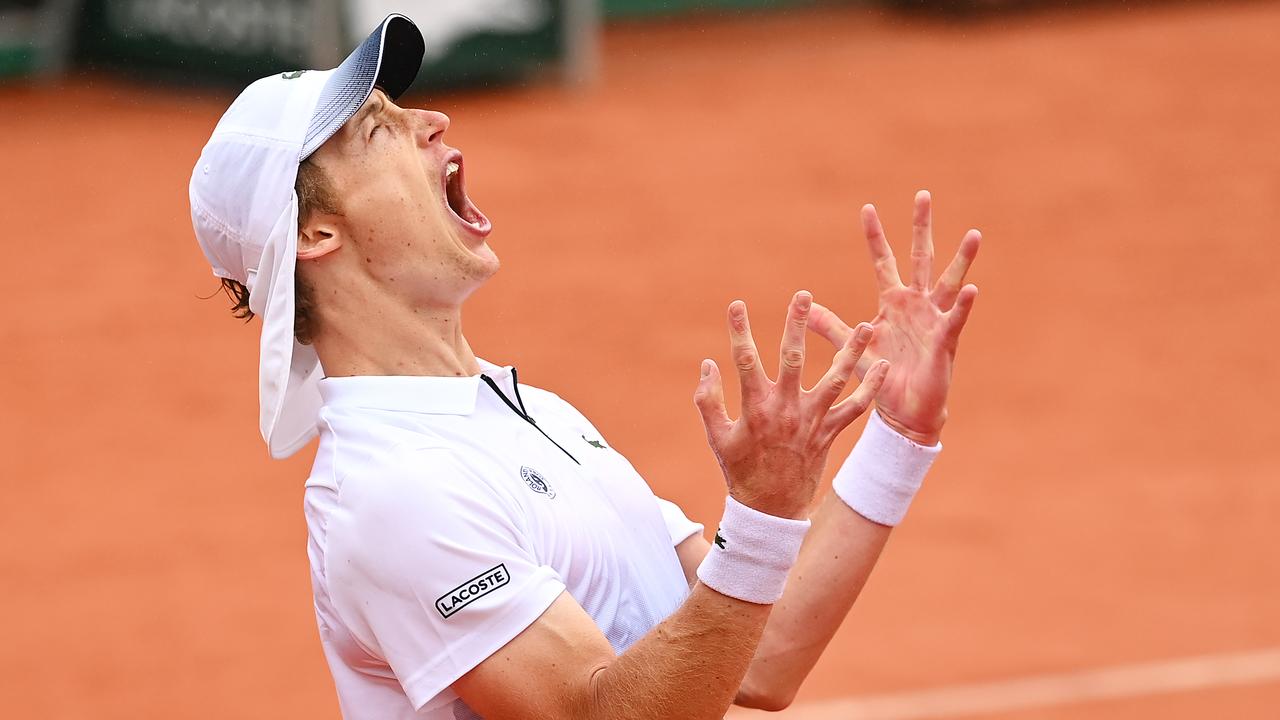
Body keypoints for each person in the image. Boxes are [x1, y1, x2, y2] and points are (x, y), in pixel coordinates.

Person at [189, 15, 980, 720]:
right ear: (315, 235)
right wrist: (763, 515)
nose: (433, 120)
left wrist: (899, 438)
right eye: (378, 131)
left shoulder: (527, 412)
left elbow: (759, 655)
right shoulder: (392, 493)